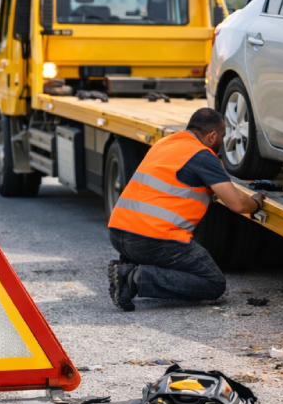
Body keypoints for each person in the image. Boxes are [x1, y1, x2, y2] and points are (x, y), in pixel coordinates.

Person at [107, 107, 265, 311]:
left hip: (119, 233)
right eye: (222, 137)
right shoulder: (202, 155)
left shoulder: (165, 143)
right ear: (212, 136)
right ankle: (134, 279)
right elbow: (236, 203)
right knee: (213, 283)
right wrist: (257, 202)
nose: (222, 144)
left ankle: (127, 266)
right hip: (150, 240)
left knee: (164, 250)